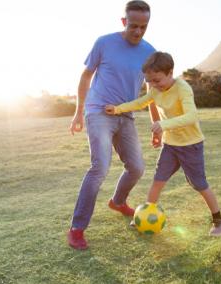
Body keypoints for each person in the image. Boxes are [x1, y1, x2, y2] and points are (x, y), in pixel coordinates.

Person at [105, 52, 221, 236]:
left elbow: (192, 116)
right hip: (170, 145)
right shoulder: (155, 90)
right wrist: (117, 109)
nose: (153, 86)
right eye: (150, 82)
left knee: (199, 184)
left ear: (170, 72)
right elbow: (141, 102)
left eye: (157, 80)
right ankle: (145, 216)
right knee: (158, 180)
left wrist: (163, 125)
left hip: (190, 145)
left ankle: (219, 221)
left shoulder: (183, 88)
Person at [68, 0, 156, 250]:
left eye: (144, 27)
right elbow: (85, 76)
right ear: (123, 22)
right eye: (133, 26)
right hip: (98, 112)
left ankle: (118, 201)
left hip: (125, 115)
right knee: (100, 167)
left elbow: (151, 90)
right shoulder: (104, 42)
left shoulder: (150, 53)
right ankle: (77, 228)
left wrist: (156, 124)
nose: (138, 31)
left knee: (137, 167)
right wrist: (78, 113)